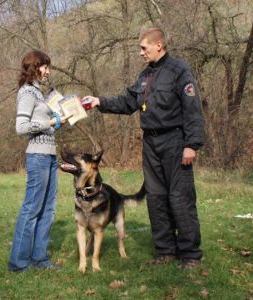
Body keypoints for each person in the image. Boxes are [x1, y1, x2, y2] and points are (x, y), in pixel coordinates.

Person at [83, 28, 205, 269]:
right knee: (156, 198)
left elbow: (192, 109)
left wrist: (192, 144)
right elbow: (128, 102)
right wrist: (99, 102)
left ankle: (190, 255)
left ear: (159, 45)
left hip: (175, 141)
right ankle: (165, 251)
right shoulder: (144, 76)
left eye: (144, 48)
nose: (141, 52)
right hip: (151, 144)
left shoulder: (179, 71)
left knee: (180, 198)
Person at [8, 50, 70, 272]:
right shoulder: (27, 93)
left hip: (50, 156)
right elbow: (21, 128)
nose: (48, 70)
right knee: (32, 209)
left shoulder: (40, 94)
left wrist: (56, 122)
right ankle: (18, 263)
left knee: (48, 210)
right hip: (37, 156)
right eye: (45, 66)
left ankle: (40, 259)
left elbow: (42, 124)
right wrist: (48, 123)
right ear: (34, 67)